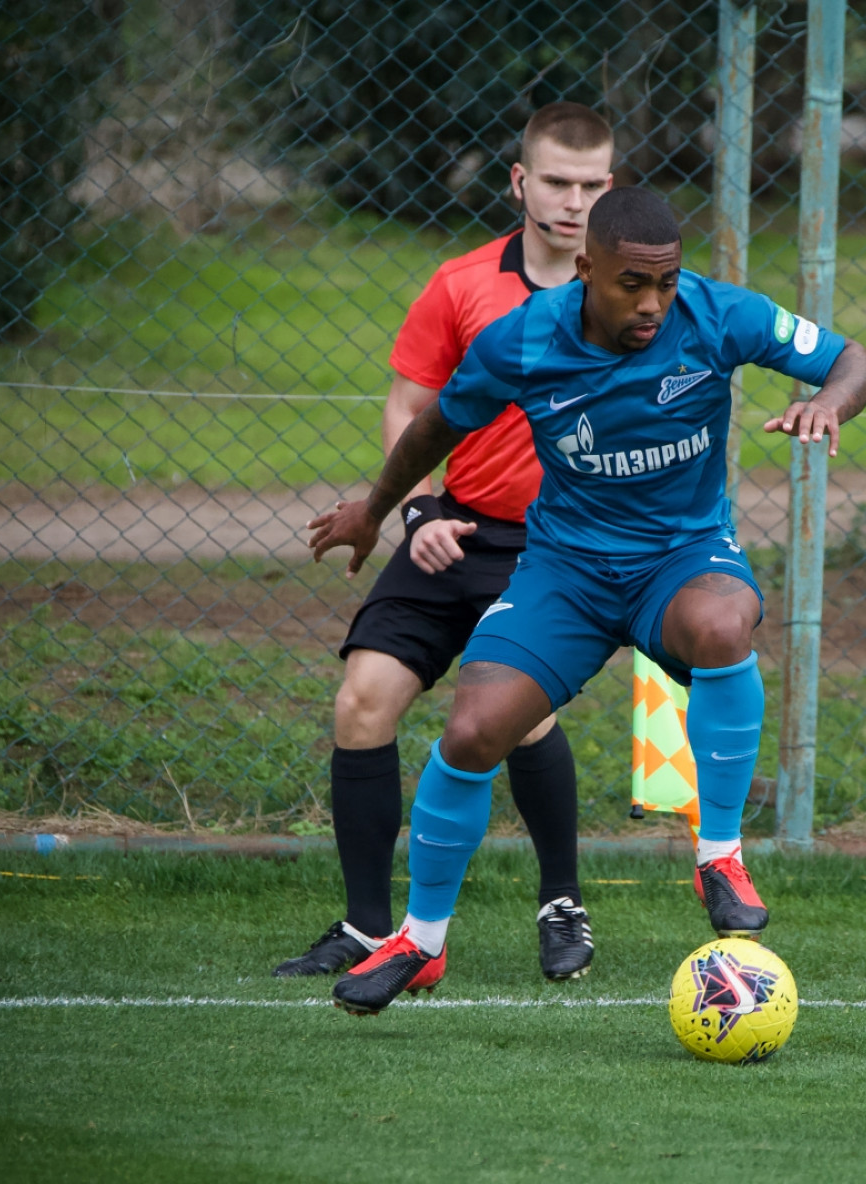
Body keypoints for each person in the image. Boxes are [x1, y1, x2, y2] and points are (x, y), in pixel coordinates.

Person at [307, 186, 866, 1016]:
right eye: (631, 285)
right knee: (471, 731)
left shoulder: (719, 316)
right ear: (585, 271)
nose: (652, 304)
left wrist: (830, 401)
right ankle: (421, 942)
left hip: (680, 559)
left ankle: (718, 856)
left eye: (666, 282)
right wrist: (375, 508)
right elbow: (437, 424)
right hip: (565, 572)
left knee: (723, 624)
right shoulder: (523, 341)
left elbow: (852, 357)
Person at [273, 103, 615, 985]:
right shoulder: (463, 283)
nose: (575, 201)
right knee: (362, 700)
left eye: (592, 185)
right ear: (520, 182)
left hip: (557, 550)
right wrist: (420, 512)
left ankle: (562, 903)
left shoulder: (628, 296)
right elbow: (408, 405)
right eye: (557, 182)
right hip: (456, 527)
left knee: (518, 710)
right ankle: (367, 930)